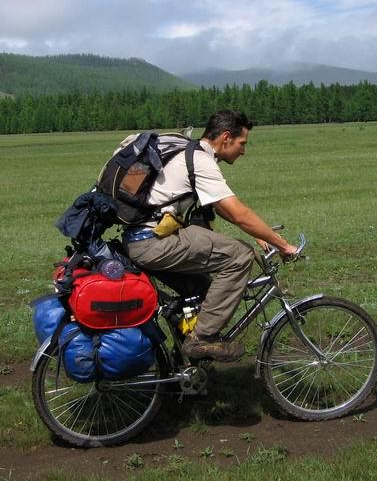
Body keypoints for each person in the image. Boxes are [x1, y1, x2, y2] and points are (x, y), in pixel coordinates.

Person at [121, 110, 299, 362]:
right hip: (152, 242)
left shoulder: (192, 154)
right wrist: (282, 245)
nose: (243, 151)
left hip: (142, 239)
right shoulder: (201, 161)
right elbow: (238, 213)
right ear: (226, 138)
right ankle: (202, 339)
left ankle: (186, 363)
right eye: (242, 143)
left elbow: (222, 208)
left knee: (203, 290)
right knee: (240, 255)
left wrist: (265, 236)